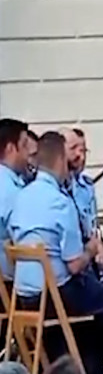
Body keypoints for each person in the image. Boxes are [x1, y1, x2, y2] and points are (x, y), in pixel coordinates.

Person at [8, 132, 103, 373]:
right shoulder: (60, 202)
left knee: (93, 313)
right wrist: (91, 248)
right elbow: (75, 265)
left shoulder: (21, 197)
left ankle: (92, 365)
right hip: (55, 295)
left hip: (26, 296)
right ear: (60, 162)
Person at [61, 128, 103, 293]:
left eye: (83, 150)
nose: (81, 157)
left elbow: (93, 227)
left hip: (93, 252)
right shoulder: (61, 189)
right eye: (74, 149)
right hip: (79, 260)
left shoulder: (86, 186)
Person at [0, 119, 31, 280]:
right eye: (25, 145)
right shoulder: (11, 191)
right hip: (11, 285)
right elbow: (24, 241)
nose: (28, 154)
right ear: (11, 148)